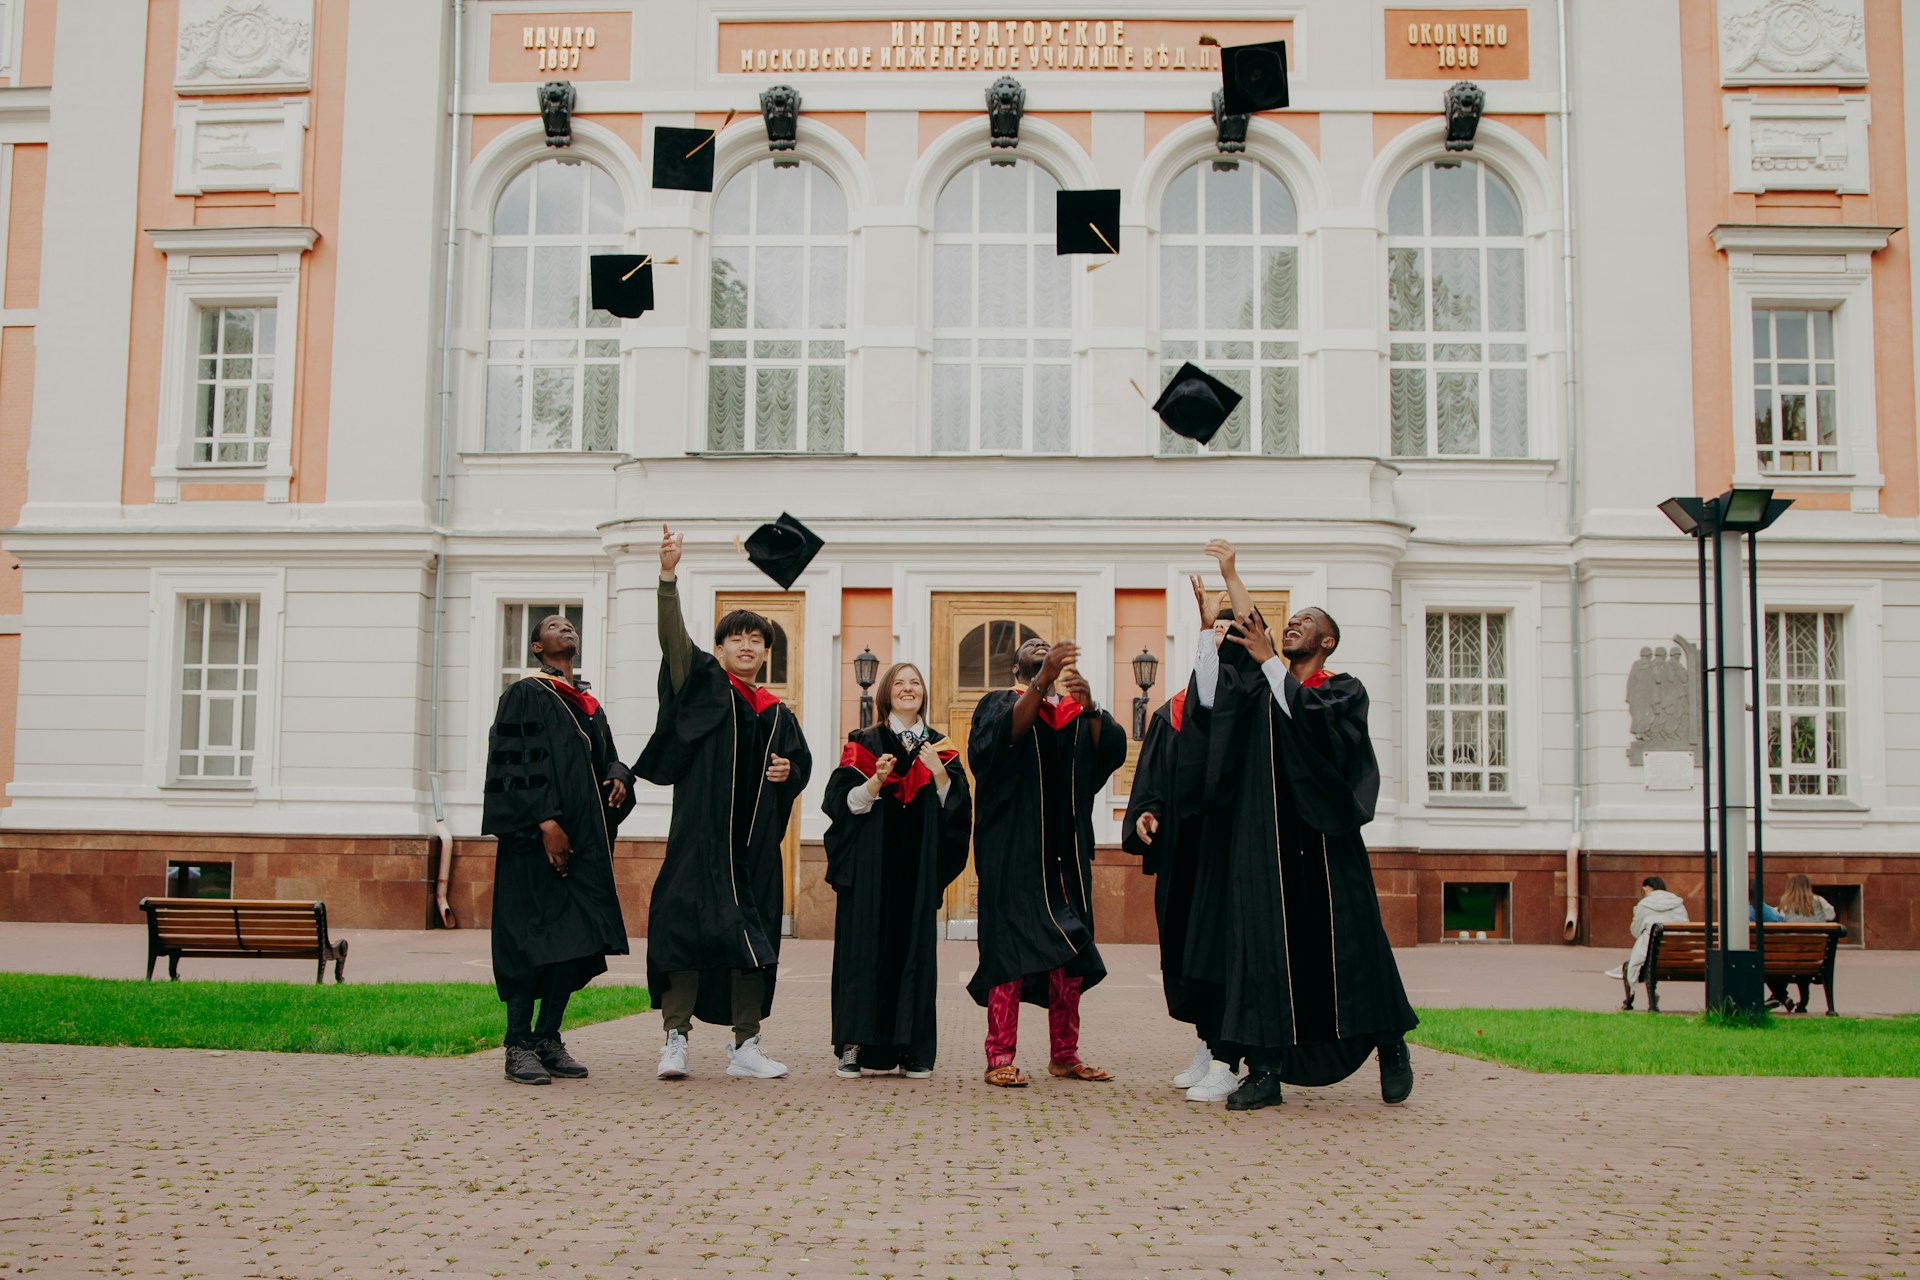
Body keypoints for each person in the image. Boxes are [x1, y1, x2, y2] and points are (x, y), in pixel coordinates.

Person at [1186, 539, 1418, 1112]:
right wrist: (1222, 599)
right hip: (1266, 846)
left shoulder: (1342, 689)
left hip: (1324, 845)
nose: (1293, 625)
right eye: (1289, 621)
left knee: (1355, 948)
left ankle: (1390, 1042)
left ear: (1327, 641)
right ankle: (1265, 1072)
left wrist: (1268, 656)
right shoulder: (1260, 691)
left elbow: (1312, 724)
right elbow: (1214, 696)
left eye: (1306, 621)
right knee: (1263, 953)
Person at [634, 526, 812, 1081]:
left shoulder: (777, 713)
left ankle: (746, 1046)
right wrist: (668, 578)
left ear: (767, 652)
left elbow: (799, 766)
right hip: (700, 841)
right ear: (719, 649)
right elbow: (672, 640)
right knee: (684, 932)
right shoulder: (703, 685)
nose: (747, 646)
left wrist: (788, 771)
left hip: (753, 850)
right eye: (736, 638)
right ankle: (675, 1040)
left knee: (751, 941)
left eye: (757, 639)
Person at [481, 614, 635, 1085]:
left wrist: (619, 775)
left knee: (574, 940)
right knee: (530, 941)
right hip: (534, 847)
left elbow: (607, 757)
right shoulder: (526, 693)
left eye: (569, 624)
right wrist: (546, 822)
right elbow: (511, 764)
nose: (564, 627)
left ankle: (547, 1037)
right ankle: (517, 1044)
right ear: (536, 647)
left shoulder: (587, 704)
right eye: (552, 625)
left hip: (584, 845)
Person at [967, 636, 1127, 1087]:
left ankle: (1064, 1055)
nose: (1038, 643)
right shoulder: (999, 702)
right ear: (1017, 669)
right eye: (1029, 646)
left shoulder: (1073, 713)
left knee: (1070, 953)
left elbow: (1107, 755)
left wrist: (1091, 707)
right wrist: (1043, 680)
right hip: (1013, 854)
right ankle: (999, 1056)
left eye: (1043, 643)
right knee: (1008, 954)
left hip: (1065, 856)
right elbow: (996, 745)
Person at [822, 661, 973, 1079]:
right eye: (900, 683)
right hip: (870, 869)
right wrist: (875, 780)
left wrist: (940, 775)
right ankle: (853, 1044)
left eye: (915, 683)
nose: (909, 689)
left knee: (914, 956)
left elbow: (957, 814)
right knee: (862, 953)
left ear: (924, 693)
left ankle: (912, 1047)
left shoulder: (941, 748)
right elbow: (842, 805)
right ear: (886, 693)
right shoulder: (864, 743)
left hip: (917, 871)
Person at [1123, 578, 1240, 1102]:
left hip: (1228, 850)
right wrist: (1147, 814)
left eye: (1227, 631)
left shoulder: (1246, 705)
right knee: (1186, 951)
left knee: (1219, 952)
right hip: (1183, 854)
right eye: (1213, 632)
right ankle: (1208, 1042)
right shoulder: (1171, 712)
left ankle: (1228, 1053)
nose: (1219, 638)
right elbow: (1152, 780)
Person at [1611, 875, 1688, 1009]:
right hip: (1678, 956)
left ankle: (1630, 1002)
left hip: (1650, 958)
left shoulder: (1644, 904)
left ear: (1648, 888)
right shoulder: (1678, 904)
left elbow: (1635, 931)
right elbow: (1685, 928)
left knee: (1632, 965)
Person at [1768, 873, 1836, 1012]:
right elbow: (1831, 915)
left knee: (1768, 966)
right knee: (1803, 963)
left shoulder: (1783, 907)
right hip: (1814, 960)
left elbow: (1775, 920)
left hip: (1788, 959)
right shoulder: (1819, 901)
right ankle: (1801, 1002)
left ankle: (1780, 995)